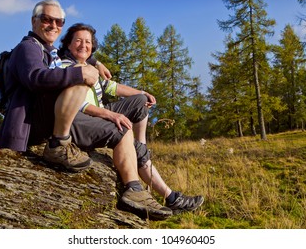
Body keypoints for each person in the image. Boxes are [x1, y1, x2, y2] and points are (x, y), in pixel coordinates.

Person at [0, 0, 171, 220]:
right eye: (47, 19)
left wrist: (95, 63)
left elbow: (75, 53)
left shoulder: (49, 51)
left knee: (122, 130)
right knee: (80, 74)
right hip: (31, 125)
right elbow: (34, 79)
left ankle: (134, 189)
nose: (53, 25)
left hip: (54, 118)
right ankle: (59, 144)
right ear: (34, 21)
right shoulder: (27, 48)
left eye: (59, 21)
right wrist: (81, 74)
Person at [57, 23, 204, 214]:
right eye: (78, 40)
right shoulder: (67, 67)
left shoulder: (89, 65)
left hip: (100, 110)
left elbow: (112, 87)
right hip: (84, 119)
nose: (83, 45)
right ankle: (170, 196)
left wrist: (142, 92)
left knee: (141, 101)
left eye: (88, 42)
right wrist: (111, 114)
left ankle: (141, 144)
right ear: (68, 44)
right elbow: (79, 106)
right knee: (124, 133)